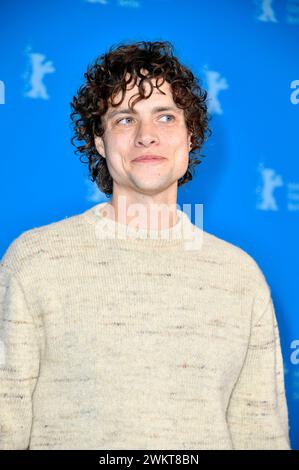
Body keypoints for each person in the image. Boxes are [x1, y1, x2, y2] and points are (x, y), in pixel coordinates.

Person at [0, 40, 291, 450]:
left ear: (191, 139)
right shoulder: (34, 262)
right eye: (123, 120)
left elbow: (261, 434)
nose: (146, 137)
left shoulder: (241, 276)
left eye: (166, 117)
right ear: (100, 143)